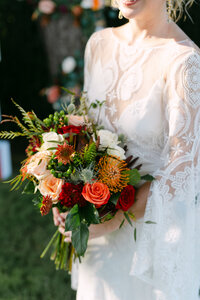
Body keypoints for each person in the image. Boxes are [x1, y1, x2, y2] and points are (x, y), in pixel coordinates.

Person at [53, 0, 200, 299]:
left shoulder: (184, 61)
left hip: (147, 241)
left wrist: (111, 222)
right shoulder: (98, 44)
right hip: (95, 238)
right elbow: (84, 129)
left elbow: (182, 172)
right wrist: (61, 190)